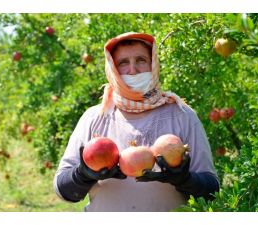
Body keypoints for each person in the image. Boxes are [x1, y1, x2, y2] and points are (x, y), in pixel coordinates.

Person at [53, 32, 219, 212]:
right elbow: (63, 191)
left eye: (141, 60)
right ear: (112, 69)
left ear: (153, 64)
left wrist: (185, 180)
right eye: (123, 63)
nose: (133, 69)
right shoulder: (95, 117)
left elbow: (212, 192)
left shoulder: (182, 115)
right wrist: (82, 175)